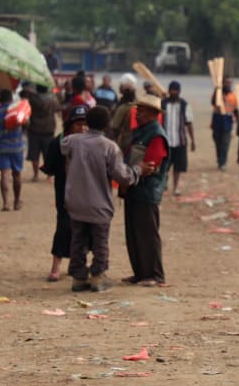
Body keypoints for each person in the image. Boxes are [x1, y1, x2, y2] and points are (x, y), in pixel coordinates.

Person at [62, 105, 141, 293]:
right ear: (107, 124)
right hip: (99, 203)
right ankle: (98, 276)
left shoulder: (72, 141)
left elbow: (62, 145)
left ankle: (78, 278)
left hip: (76, 201)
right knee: (100, 242)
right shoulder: (110, 147)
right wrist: (137, 171)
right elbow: (122, 177)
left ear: (87, 122)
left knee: (78, 241)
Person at [122, 94, 171, 286]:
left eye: (141, 110)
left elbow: (150, 165)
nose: (138, 113)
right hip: (134, 189)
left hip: (146, 191)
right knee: (134, 234)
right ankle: (141, 273)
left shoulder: (156, 135)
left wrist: (131, 173)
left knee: (147, 235)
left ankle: (154, 275)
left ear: (152, 113)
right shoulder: (141, 132)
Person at [41, 105, 89, 282]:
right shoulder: (57, 142)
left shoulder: (92, 142)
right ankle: (56, 266)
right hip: (64, 192)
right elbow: (49, 167)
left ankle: (77, 265)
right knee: (63, 226)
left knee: (84, 228)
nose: (82, 128)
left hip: (86, 192)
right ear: (70, 125)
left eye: (85, 124)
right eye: (78, 124)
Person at [0, 89, 26, 211]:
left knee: (4, 175)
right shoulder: (17, 112)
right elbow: (26, 124)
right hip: (17, 147)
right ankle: (17, 202)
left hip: (2, 148)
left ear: (0, 100)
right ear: (11, 99)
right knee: (17, 175)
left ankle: (6, 203)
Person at [161, 80, 195, 196]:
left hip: (180, 141)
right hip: (165, 141)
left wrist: (192, 140)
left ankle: (175, 187)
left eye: (176, 90)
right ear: (169, 91)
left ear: (179, 92)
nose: (174, 92)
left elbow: (189, 123)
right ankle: (163, 184)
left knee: (178, 167)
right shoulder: (163, 104)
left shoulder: (185, 105)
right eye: (172, 90)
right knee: (164, 165)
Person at [24, 84, 59, 182]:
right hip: (49, 129)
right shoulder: (52, 100)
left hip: (34, 128)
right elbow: (58, 108)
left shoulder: (33, 99)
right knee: (48, 154)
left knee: (34, 154)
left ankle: (36, 175)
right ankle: (49, 175)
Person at [210, 76, 238, 171]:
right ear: (223, 83)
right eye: (226, 82)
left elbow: (235, 109)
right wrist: (217, 90)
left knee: (225, 143)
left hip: (227, 121)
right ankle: (220, 159)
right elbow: (213, 102)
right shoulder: (217, 94)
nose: (228, 84)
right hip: (217, 120)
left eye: (230, 82)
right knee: (218, 142)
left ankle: (223, 162)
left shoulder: (233, 96)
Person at [109, 73, 139, 148]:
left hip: (123, 144)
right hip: (136, 142)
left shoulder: (122, 108)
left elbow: (114, 127)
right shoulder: (139, 106)